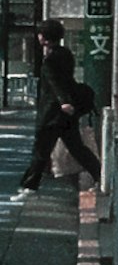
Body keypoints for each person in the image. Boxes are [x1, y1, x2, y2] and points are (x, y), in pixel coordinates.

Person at [23, 11, 95, 195]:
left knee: (41, 150)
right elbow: (67, 81)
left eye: (40, 34)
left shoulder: (50, 60)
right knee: (77, 148)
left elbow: (56, 84)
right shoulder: (65, 54)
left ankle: (29, 187)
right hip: (66, 115)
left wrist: (64, 102)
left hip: (52, 114)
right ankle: (99, 174)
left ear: (45, 38)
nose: (39, 36)